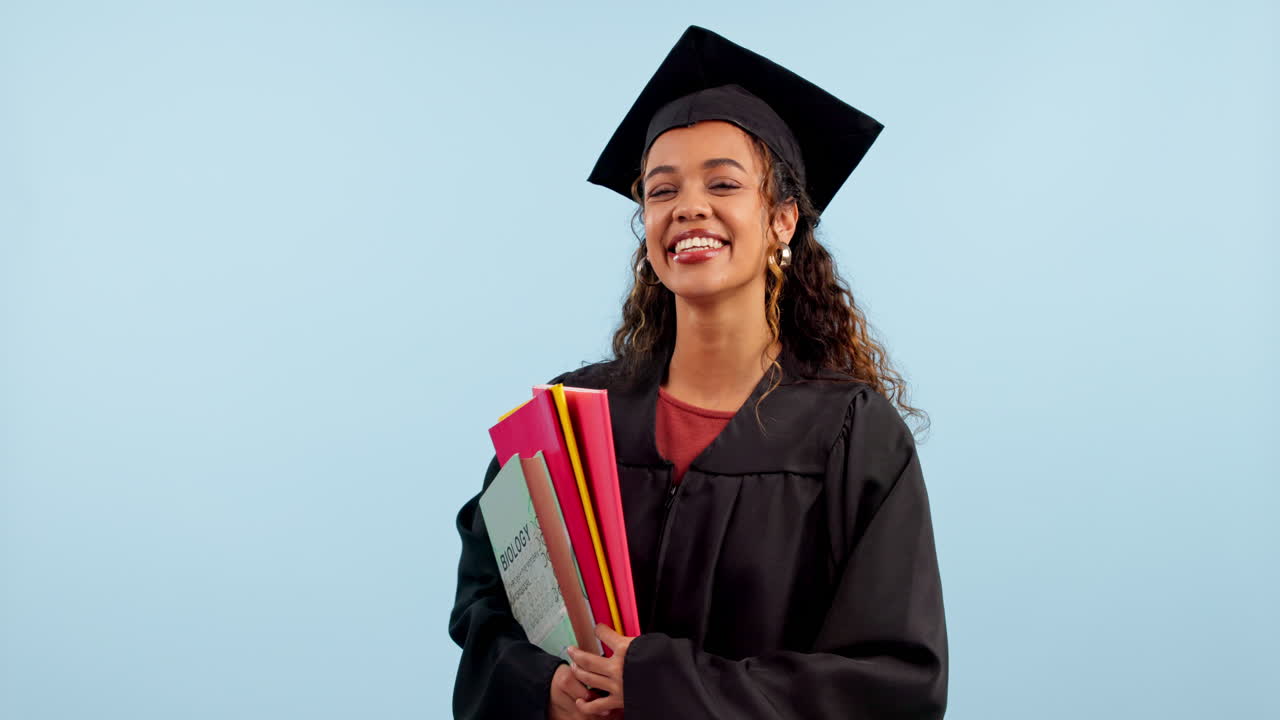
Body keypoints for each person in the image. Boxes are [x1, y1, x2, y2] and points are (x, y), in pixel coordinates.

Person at [449, 26, 947, 720]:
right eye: (661, 190)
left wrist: (662, 686)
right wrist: (543, 689)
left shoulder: (850, 435)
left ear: (781, 220)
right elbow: (484, 611)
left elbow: (893, 683)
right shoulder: (568, 414)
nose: (688, 207)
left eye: (723, 183)